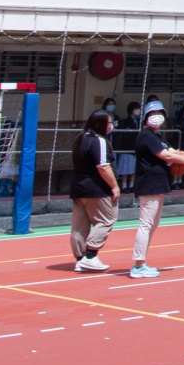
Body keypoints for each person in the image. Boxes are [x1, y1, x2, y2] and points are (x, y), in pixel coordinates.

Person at [130, 101, 183, 277]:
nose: (157, 116)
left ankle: (142, 262)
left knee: (152, 225)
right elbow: (165, 155)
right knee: (146, 225)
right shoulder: (146, 135)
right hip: (149, 184)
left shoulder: (157, 136)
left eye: (160, 113)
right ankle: (138, 265)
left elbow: (170, 151)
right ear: (145, 117)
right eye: (153, 113)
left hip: (157, 184)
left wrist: (181, 157)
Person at [69, 110, 120, 272]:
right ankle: (91, 255)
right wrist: (114, 186)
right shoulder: (99, 141)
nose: (111, 126)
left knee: (80, 225)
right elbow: (103, 166)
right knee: (107, 219)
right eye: (109, 123)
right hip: (96, 188)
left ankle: (80, 259)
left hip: (78, 187)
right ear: (100, 124)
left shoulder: (81, 138)